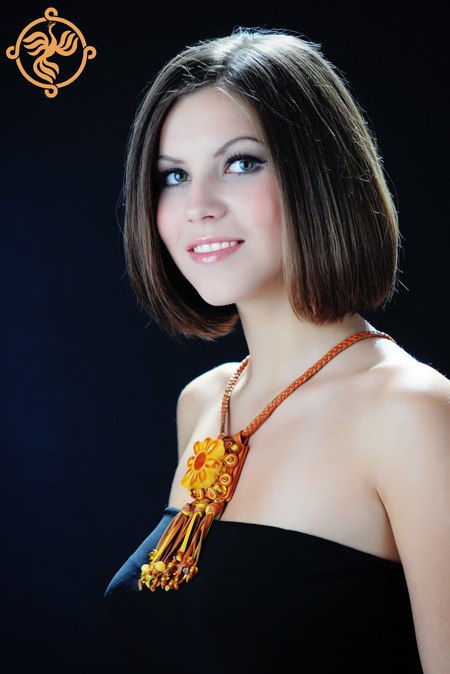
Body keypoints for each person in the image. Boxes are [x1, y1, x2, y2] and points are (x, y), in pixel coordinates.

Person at [104, 27, 450, 673]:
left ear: (321, 177)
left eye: (240, 163)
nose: (198, 206)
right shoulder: (207, 402)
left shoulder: (412, 413)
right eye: (173, 176)